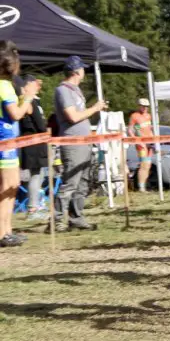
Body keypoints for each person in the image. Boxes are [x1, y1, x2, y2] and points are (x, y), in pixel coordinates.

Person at [51, 55, 108, 233]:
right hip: (73, 143)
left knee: (82, 183)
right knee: (70, 183)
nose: (84, 71)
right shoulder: (63, 91)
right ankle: (57, 221)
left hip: (84, 142)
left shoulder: (75, 90)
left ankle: (77, 218)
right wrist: (95, 108)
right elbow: (73, 116)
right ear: (76, 71)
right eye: (82, 68)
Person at [0, 41, 38, 246]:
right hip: (4, 140)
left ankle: (7, 230)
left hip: (9, 141)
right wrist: (29, 97)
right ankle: (2, 233)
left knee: (12, 187)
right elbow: (15, 114)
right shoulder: (4, 86)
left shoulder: (5, 86)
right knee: (7, 187)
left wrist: (25, 100)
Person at [15, 74, 47, 220]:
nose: (37, 88)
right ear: (27, 86)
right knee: (36, 175)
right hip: (33, 143)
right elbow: (39, 124)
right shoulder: (28, 102)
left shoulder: (32, 102)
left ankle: (36, 205)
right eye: (35, 85)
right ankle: (32, 209)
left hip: (36, 143)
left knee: (39, 175)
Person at [128, 98, 154, 192]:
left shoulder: (148, 116)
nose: (145, 108)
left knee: (148, 165)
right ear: (139, 106)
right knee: (144, 164)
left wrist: (153, 139)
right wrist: (137, 141)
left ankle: (144, 185)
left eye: (146, 106)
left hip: (149, 142)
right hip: (140, 143)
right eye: (143, 106)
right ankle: (141, 187)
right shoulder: (134, 116)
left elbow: (150, 128)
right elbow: (130, 130)